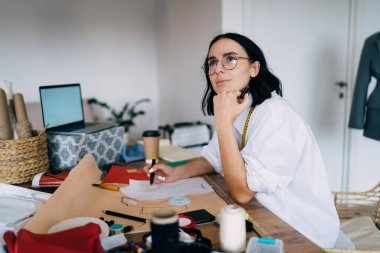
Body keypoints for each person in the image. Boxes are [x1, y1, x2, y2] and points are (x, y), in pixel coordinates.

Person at [145, 33, 341, 248]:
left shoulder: (274, 115)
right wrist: (177, 172)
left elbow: (242, 192)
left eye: (230, 59)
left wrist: (222, 123)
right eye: (212, 62)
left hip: (299, 230)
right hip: (260, 214)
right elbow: (213, 158)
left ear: (254, 69)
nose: (218, 69)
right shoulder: (240, 105)